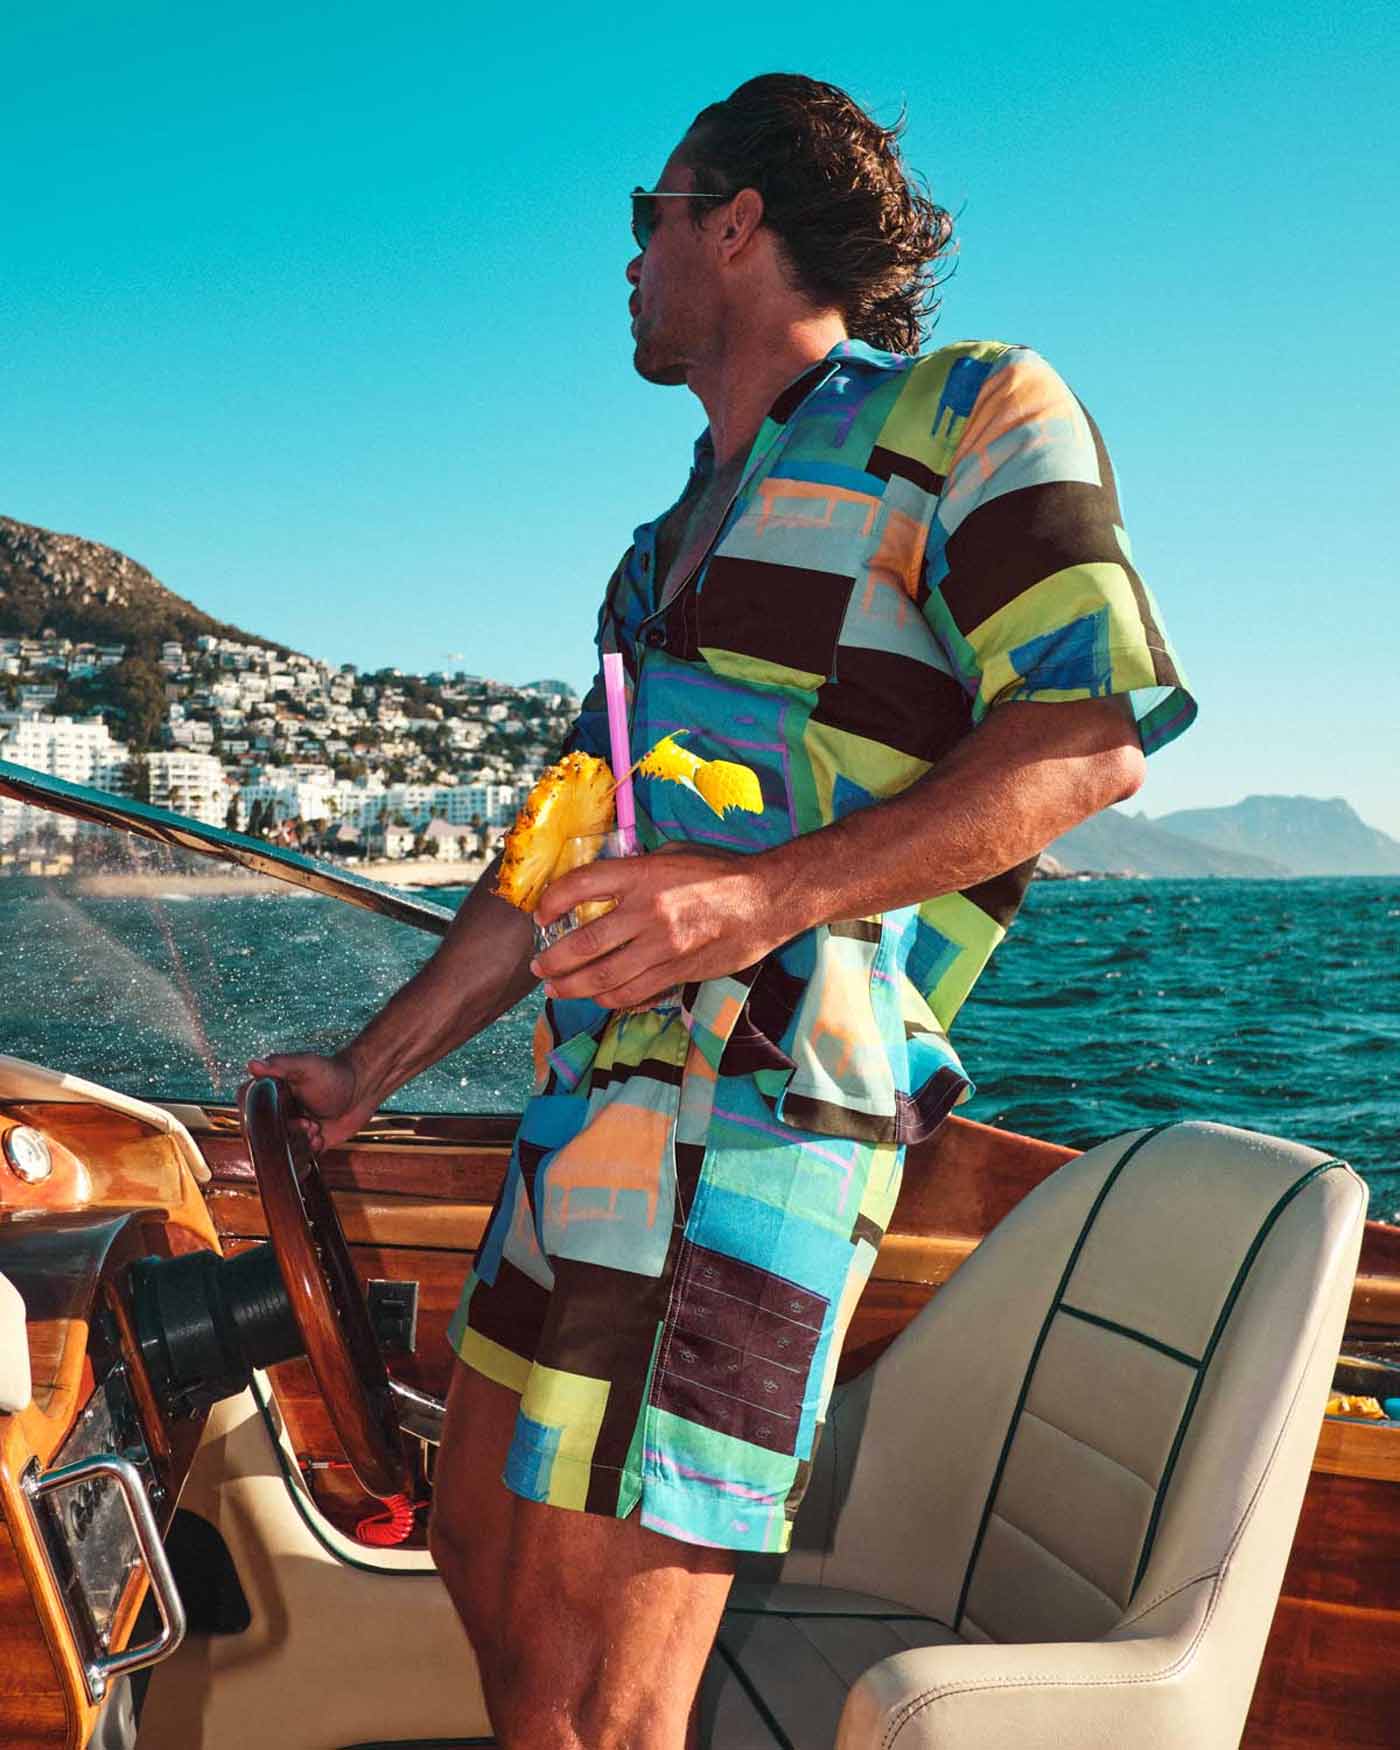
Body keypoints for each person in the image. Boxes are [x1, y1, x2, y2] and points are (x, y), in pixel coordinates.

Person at [250, 73, 1195, 1750]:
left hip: (761, 1124)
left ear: (738, 221)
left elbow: (1089, 734)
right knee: (474, 1542)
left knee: (603, 1704)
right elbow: (551, 849)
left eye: (651, 216)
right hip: (582, 1119)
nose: (630, 259)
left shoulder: (967, 412)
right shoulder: (654, 551)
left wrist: (754, 899)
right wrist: (368, 1068)